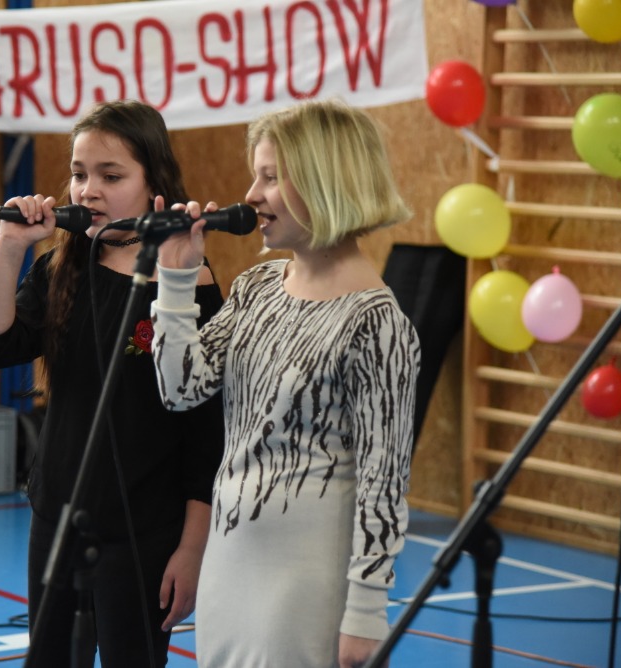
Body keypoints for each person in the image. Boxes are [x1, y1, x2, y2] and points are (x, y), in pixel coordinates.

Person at [151, 98, 421, 668]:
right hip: (229, 564)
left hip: (305, 582)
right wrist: (176, 280)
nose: (251, 195)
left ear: (327, 182)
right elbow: (181, 389)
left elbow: (383, 481)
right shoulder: (258, 287)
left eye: (270, 178)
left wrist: (366, 613)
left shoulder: (376, 322)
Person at [0, 100, 225, 668]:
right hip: (57, 514)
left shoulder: (186, 280)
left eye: (111, 176)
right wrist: (10, 246)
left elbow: (206, 431)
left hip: (142, 528)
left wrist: (192, 548)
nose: (89, 191)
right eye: (79, 174)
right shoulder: (65, 266)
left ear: (154, 182)